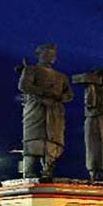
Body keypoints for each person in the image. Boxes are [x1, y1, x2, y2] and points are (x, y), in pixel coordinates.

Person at [16, 44, 73, 180]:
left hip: (55, 111)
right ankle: (29, 170)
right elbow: (23, 86)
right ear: (39, 55)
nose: (50, 57)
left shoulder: (61, 77)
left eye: (52, 54)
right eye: (47, 53)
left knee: (53, 139)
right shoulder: (31, 70)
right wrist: (44, 92)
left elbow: (69, 95)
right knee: (33, 137)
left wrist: (59, 96)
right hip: (36, 108)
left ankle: (48, 169)